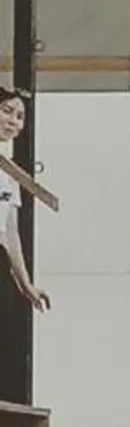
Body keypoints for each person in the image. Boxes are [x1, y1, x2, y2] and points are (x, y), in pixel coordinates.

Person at [0, 86, 49, 313]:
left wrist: (26, 283)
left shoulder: (9, 171)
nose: (14, 121)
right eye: (6, 111)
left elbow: (10, 230)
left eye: (20, 116)